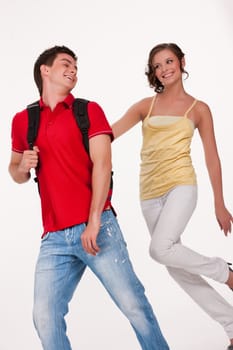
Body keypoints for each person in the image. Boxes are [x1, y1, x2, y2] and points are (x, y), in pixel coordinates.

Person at [8, 45, 170, 350]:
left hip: (97, 228)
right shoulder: (23, 120)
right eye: (66, 64)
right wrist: (22, 166)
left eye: (76, 68)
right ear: (45, 70)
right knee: (44, 316)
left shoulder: (88, 110)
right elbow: (15, 172)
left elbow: (103, 165)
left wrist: (94, 220)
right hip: (54, 238)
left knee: (133, 305)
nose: (73, 71)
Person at [112, 42, 233, 350]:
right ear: (153, 72)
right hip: (148, 194)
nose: (164, 68)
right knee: (177, 269)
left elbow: (212, 158)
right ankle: (231, 324)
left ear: (181, 62)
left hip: (182, 185)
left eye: (169, 61)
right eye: (157, 65)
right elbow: (107, 134)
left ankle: (225, 271)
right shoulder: (145, 106)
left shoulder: (199, 109)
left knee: (159, 249)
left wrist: (220, 203)